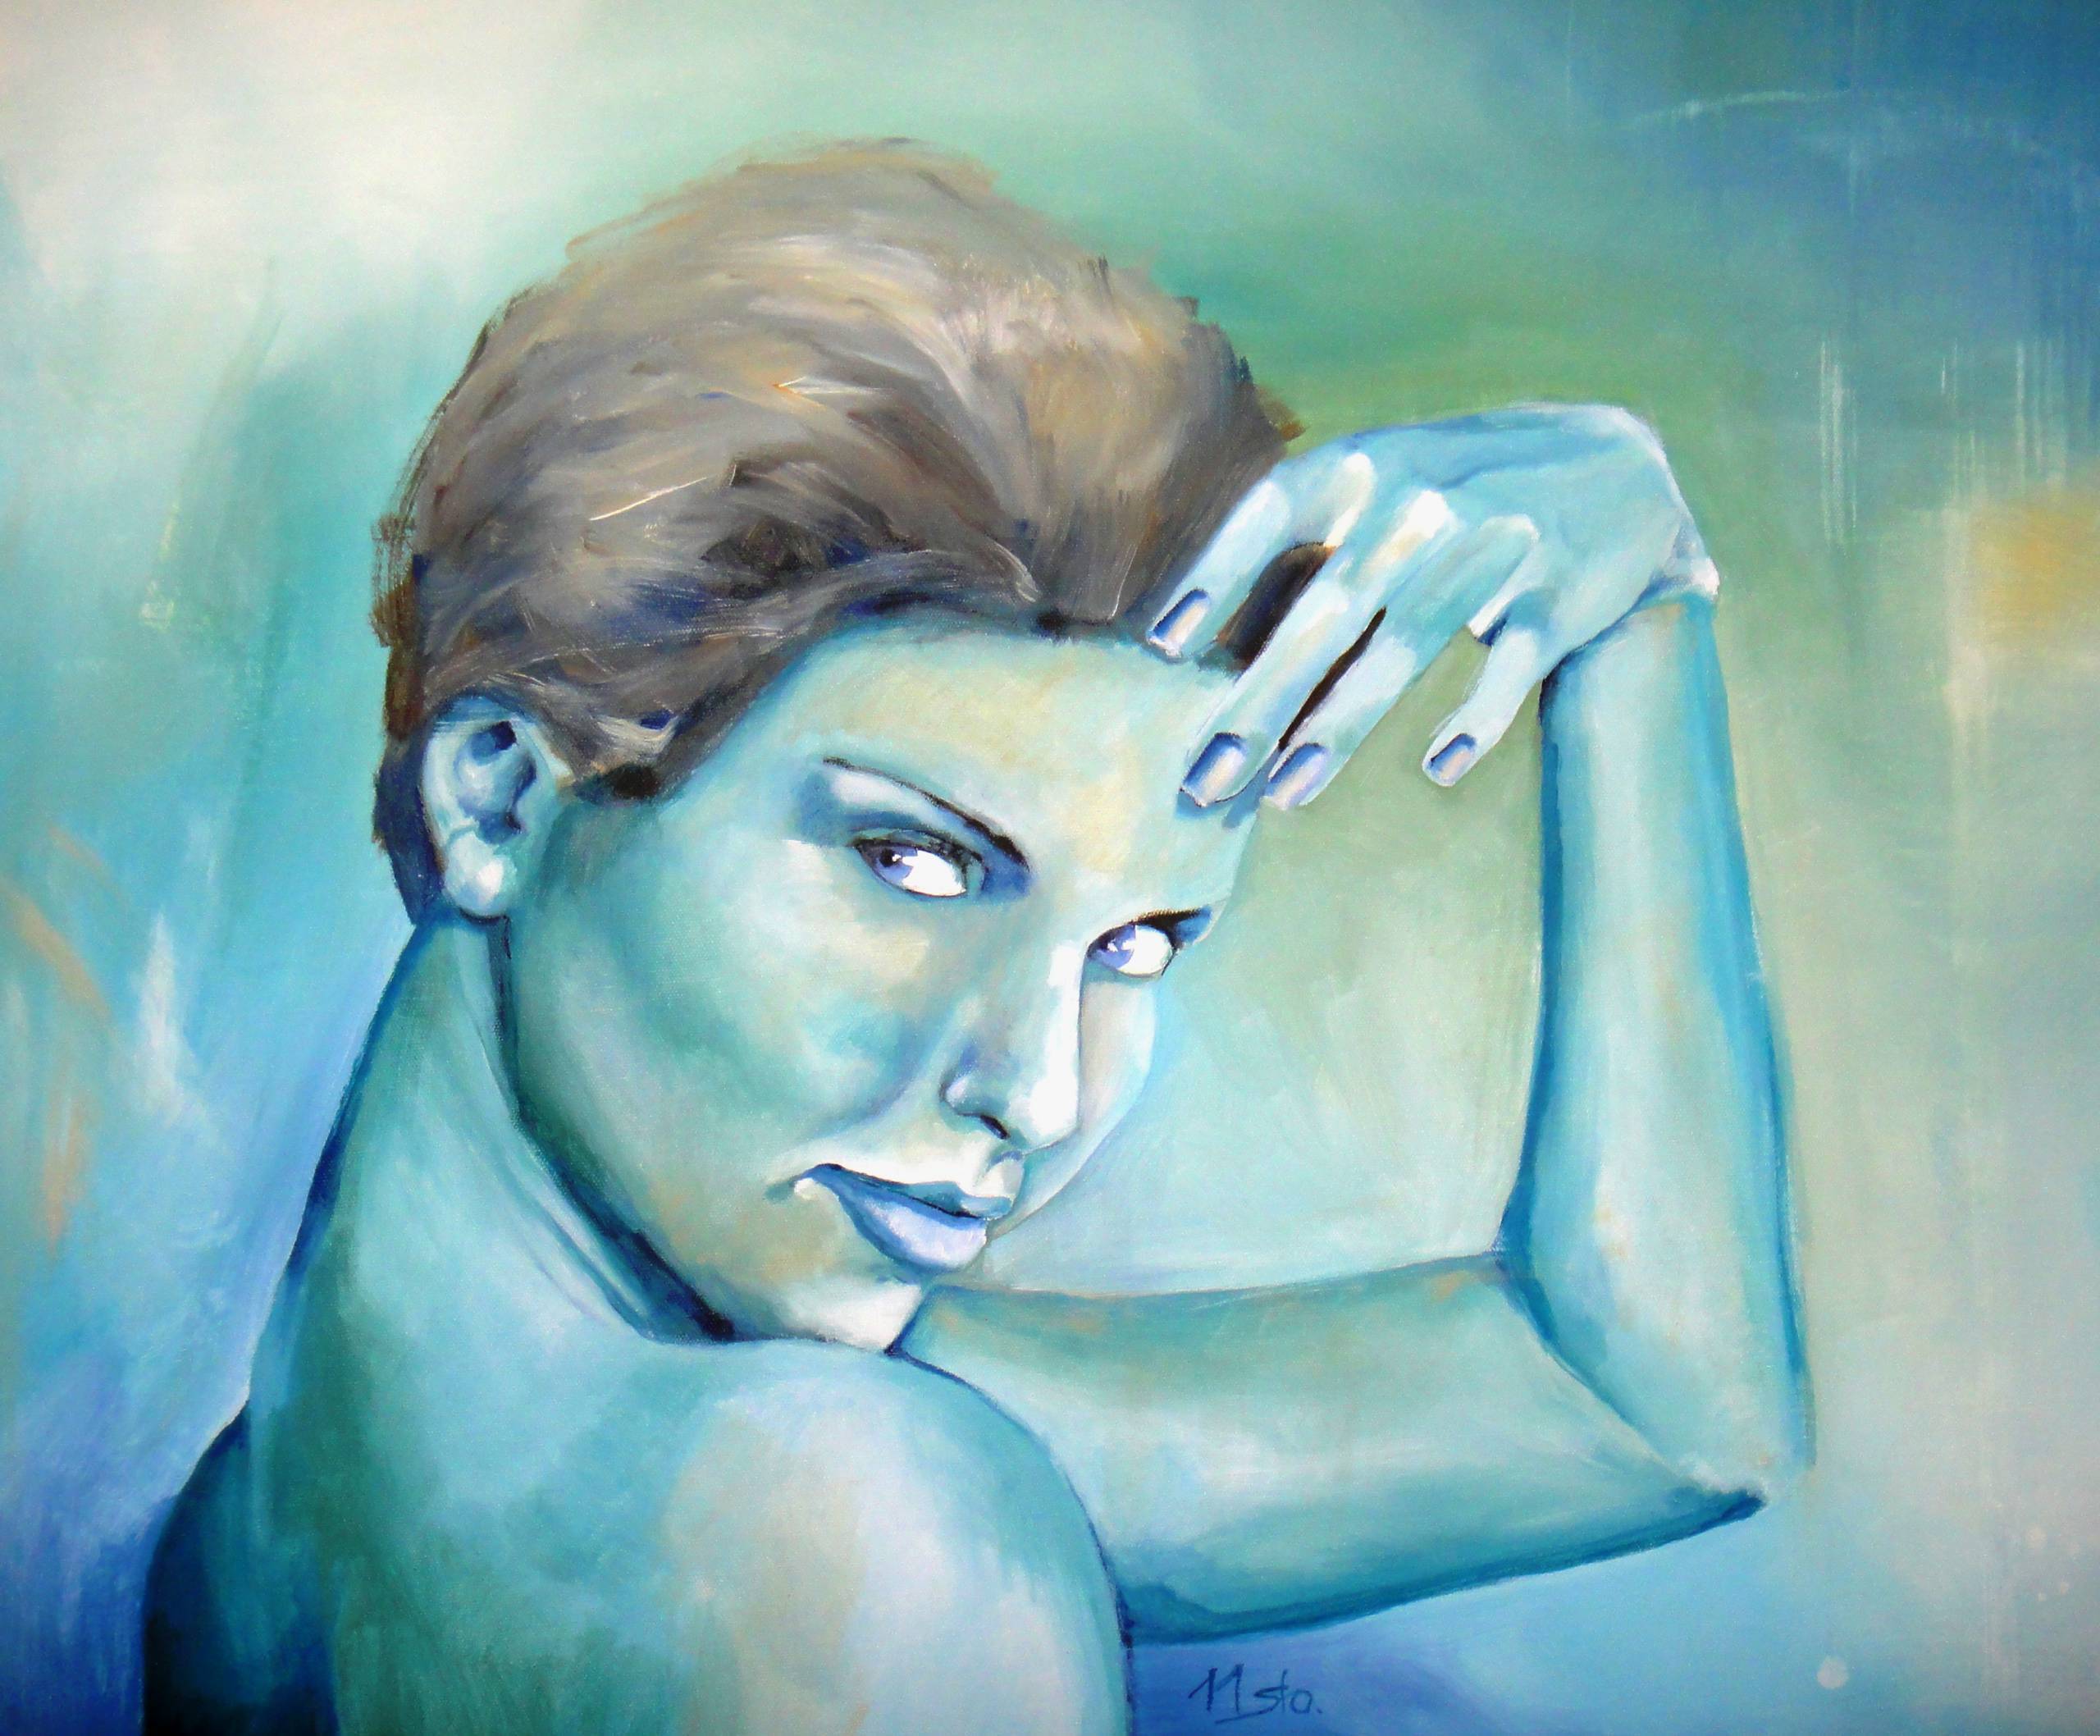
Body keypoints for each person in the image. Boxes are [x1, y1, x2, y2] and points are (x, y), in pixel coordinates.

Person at [144, 140, 1809, 1736]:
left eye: (1137, 945)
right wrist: (1643, 601)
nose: (1037, 1091)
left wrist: (1640, 606)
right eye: (916, 865)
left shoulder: (264, 1531)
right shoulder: (847, 1543)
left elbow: (1646, 1411)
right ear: (504, 797)